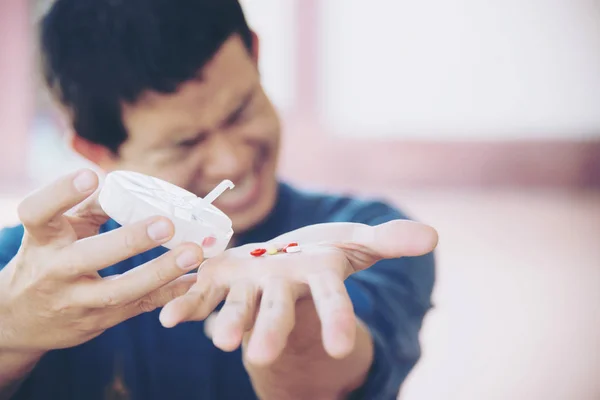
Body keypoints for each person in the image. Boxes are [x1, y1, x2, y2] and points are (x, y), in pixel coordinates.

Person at [0, 0, 437, 399]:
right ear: (97, 153)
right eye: (184, 144)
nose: (230, 160)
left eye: (241, 110)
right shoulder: (25, 272)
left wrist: (298, 319)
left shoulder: (362, 241)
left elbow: (331, 382)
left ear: (257, 57)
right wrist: (11, 331)